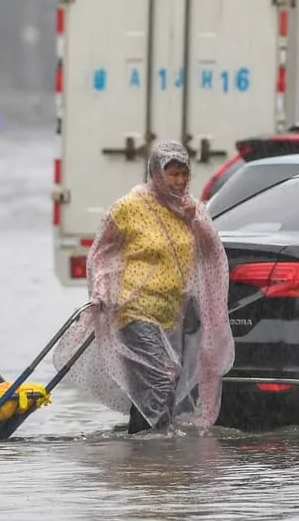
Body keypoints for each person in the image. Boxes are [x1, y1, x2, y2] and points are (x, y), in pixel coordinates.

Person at [53, 141, 234, 433]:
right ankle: (161, 448)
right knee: (161, 378)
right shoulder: (128, 207)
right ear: (155, 173)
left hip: (172, 313)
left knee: (153, 387)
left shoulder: (192, 210)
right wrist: (101, 289)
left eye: (183, 173)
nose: (178, 180)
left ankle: (141, 456)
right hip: (134, 310)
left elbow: (213, 253)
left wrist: (195, 222)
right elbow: (100, 252)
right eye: (171, 173)